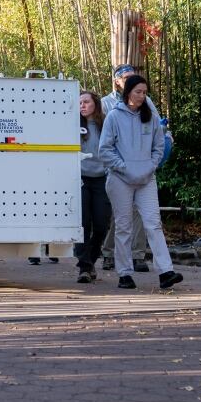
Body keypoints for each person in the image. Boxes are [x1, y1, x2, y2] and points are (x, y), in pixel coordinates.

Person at [99, 75, 183, 289]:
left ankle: (166, 271)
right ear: (127, 92)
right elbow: (105, 150)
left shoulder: (151, 117)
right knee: (124, 226)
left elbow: (159, 147)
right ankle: (124, 273)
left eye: (145, 92)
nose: (142, 96)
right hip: (120, 179)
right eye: (138, 92)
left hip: (146, 179)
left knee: (153, 224)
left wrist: (150, 166)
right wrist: (124, 167)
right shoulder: (113, 117)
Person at [100, 64, 155, 272]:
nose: (132, 81)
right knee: (119, 215)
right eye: (127, 78)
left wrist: (154, 159)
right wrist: (119, 165)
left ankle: (138, 254)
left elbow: (156, 127)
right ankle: (108, 252)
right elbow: (104, 139)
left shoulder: (145, 101)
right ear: (117, 81)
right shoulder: (106, 104)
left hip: (141, 167)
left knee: (141, 213)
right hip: (116, 168)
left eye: (134, 78)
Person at [75, 91, 111, 283]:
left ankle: (90, 261)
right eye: (79, 102)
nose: (82, 105)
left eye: (86, 102)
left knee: (100, 225)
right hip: (80, 179)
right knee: (83, 223)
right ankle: (84, 267)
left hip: (101, 179)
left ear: (95, 104)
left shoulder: (105, 124)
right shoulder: (72, 125)